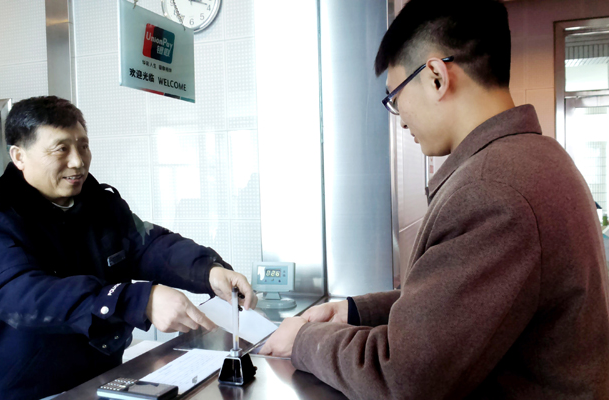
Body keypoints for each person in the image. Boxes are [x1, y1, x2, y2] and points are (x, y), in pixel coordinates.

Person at [261, 0, 609, 398]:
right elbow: (463, 304)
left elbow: (405, 377)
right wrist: (353, 311)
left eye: (394, 97)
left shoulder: (492, 189)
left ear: (436, 77)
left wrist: (304, 340)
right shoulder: (538, 156)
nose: (400, 119)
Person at [0, 96, 257, 400]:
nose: (78, 161)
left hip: (99, 381)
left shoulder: (101, 206)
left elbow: (150, 245)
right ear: (19, 156)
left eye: (83, 146)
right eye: (61, 148)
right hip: (24, 390)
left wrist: (207, 271)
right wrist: (139, 300)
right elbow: (27, 296)